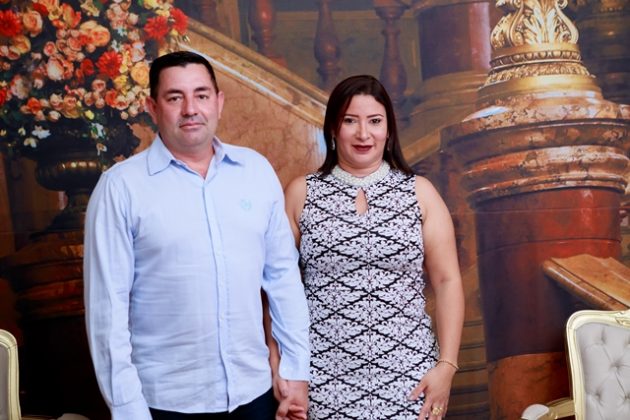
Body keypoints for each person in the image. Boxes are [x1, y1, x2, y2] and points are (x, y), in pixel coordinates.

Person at [83, 51, 310, 420]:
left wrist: (296, 370)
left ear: (218, 102)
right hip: (166, 404)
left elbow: (283, 279)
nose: (191, 109)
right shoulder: (120, 188)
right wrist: (128, 411)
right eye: (175, 97)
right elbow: (108, 313)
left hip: (255, 395)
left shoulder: (255, 171)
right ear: (152, 108)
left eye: (201, 95)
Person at [277, 75, 465, 419]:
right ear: (333, 128)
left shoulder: (420, 193)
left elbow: (447, 281)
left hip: (411, 378)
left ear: (388, 130)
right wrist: (284, 367)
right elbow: (278, 287)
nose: (364, 134)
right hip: (323, 378)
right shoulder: (301, 193)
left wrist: (447, 366)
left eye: (375, 121)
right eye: (350, 121)